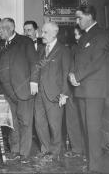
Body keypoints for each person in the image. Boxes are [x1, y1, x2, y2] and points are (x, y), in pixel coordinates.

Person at [69, 5, 109, 172]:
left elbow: (96, 61)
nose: (77, 22)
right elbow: (76, 58)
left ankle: (95, 167)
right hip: (83, 89)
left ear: (89, 16)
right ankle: (91, 162)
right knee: (87, 128)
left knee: (93, 129)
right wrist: (71, 74)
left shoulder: (101, 35)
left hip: (94, 90)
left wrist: (77, 77)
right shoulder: (86, 36)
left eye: (79, 18)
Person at [0, 18, 39, 163]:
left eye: (1, 29)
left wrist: (34, 81)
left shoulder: (25, 42)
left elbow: (34, 63)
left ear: (9, 28)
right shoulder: (3, 44)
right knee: (12, 122)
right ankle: (15, 150)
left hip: (23, 89)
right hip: (7, 91)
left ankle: (24, 153)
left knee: (25, 122)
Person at [34, 22, 71, 163]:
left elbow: (66, 73)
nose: (41, 35)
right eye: (42, 32)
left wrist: (64, 93)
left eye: (45, 32)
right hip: (39, 93)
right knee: (39, 122)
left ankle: (55, 152)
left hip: (55, 94)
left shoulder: (63, 50)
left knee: (55, 125)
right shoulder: (42, 49)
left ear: (54, 33)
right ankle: (46, 149)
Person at [64, 24, 85, 159]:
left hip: (87, 89)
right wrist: (71, 75)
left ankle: (88, 151)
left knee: (86, 121)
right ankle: (76, 149)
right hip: (72, 90)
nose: (77, 38)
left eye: (79, 34)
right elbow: (69, 66)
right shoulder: (74, 48)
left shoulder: (93, 47)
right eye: (75, 35)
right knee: (71, 120)